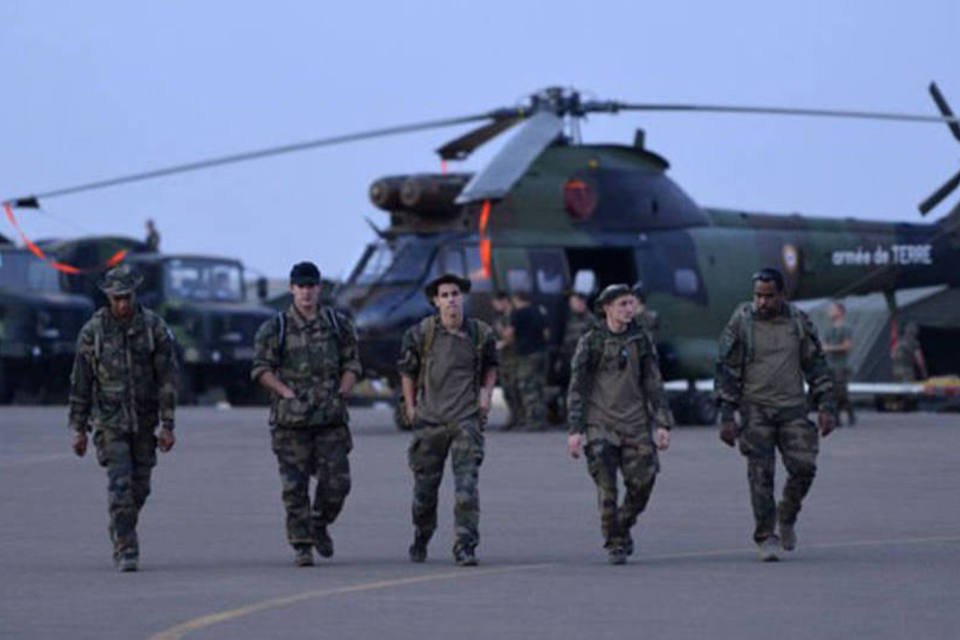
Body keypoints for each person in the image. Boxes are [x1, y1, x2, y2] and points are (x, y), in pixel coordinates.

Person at [716, 268, 835, 562]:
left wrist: (826, 405)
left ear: (782, 295)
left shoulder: (798, 321)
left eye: (769, 296)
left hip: (793, 408)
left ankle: (788, 513)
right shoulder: (742, 321)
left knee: (804, 467)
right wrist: (727, 415)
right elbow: (727, 369)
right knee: (761, 474)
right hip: (755, 408)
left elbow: (816, 365)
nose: (762, 302)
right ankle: (765, 535)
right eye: (758, 295)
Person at [67, 264, 178, 572]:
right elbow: (81, 382)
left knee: (140, 487)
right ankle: (126, 548)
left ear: (135, 295)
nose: (122, 304)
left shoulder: (153, 328)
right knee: (120, 485)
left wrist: (167, 425)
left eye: (127, 297)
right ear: (108, 298)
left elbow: (167, 379)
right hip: (109, 422)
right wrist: (78, 429)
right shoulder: (93, 331)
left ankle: (120, 526)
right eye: (116, 298)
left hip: (144, 422)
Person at [252, 261, 361, 567]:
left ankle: (320, 523)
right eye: (301, 286)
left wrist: (343, 390)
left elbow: (353, 362)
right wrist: (284, 392)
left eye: (311, 286)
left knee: (338, 483)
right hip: (292, 422)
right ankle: (302, 544)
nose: (306, 292)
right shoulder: (276, 328)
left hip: (330, 419)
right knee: (294, 487)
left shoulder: (338, 325)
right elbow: (260, 368)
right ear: (291, 289)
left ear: (319, 289)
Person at [566, 284, 673, 564]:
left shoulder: (641, 340)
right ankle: (614, 541)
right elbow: (578, 387)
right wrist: (575, 430)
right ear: (607, 308)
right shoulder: (591, 341)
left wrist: (662, 423)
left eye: (631, 303)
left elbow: (653, 382)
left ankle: (622, 525)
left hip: (636, 424)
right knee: (607, 488)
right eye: (623, 304)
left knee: (643, 482)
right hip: (601, 424)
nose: (630, 309)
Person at [398, 273, 497, 566]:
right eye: (445, 295)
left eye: (455, 293)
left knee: (466, 489)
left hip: (465, 420)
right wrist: (411, 406)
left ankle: (465, 545)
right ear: (435, 301)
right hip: (430, 421)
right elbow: (407, 370)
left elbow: (491, 365)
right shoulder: (421, 333)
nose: (452, 299)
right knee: (424, 494)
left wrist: (486, 395)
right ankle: (422, 534)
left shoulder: (480, 333)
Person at [504, 291, 548, 431]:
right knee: (539, 387)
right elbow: (547, 334)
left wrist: (509, 340)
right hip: (541, 353)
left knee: (527, 388)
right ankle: (542, 419)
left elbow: (509, 334)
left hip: (526, 354)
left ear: (517, 300)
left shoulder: (517, 313)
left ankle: (533, 421)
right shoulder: (539, 311)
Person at [822, 301, 856, 426]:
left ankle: (850, 413)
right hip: (830, 365)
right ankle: (836, 418)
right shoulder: (829, 330)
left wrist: (829, 348)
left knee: (841, 393)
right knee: (832, 393)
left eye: (833, 310)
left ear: (840, 312)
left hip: (841, 366)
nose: (830, 312)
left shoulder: (846, 328)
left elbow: (847, 346)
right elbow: (824, 346)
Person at [491, 291, 521, 429]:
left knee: (514, 389)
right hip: (503, 359)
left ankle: (518, 418)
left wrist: (503, 343)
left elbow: (511, 336)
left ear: (504, 301)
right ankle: (513, 417)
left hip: (514, 358)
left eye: (497, 303)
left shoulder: (513, 316)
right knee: (507, 390)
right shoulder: (500, 317)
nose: (495, 306)